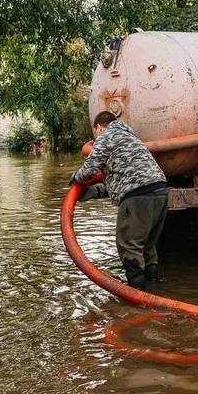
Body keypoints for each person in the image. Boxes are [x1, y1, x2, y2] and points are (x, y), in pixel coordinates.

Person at [70, 111, 168, 289]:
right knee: (146, 246)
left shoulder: (106, 135)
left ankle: (137, 296)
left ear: (99, 127)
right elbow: (124, 179)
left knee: (129, 246)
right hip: (160, 192)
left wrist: (77, 177)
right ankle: (154, 291)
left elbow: (90, 168)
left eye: (95, 133)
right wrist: (95, 192)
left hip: (138, 197)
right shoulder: (130, 138)